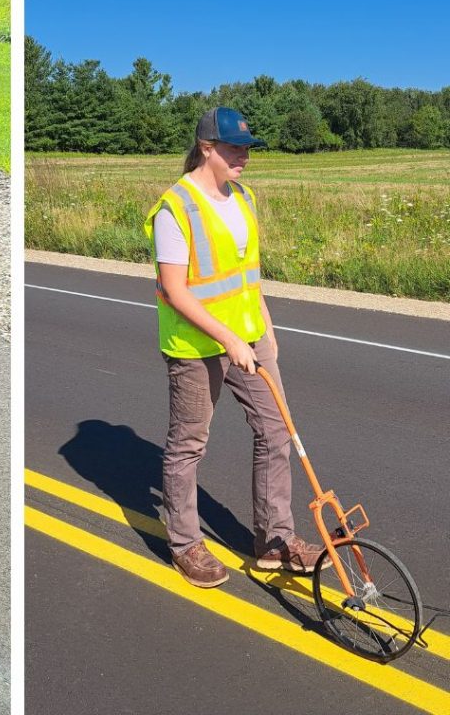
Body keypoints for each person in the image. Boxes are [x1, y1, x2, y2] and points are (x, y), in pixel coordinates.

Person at [143, 107, 327, 589]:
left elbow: (247, 272)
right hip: (195, 345)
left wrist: (264, 324)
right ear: (207, 148)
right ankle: (184, 543)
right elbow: (174, 290)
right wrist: (227, 338)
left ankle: (274, 543)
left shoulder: (242, 196)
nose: (243, 156)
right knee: (189, 445)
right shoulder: (175, 207)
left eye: (246, 148)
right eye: (233, 148)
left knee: (277, 432)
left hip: (250, 337)